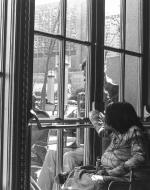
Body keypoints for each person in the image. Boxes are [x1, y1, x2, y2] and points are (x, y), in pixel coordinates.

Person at [60, 102, 147, 190]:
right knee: (75, 174)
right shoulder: (115, 132)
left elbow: (139, 157)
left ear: (115, 117)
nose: (104, 118)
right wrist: (93, 112)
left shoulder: (133, 131)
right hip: (108, 174)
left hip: (124, 178)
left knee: (85, 180)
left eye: (107, 115)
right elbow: (100, 128)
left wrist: (112, 172)